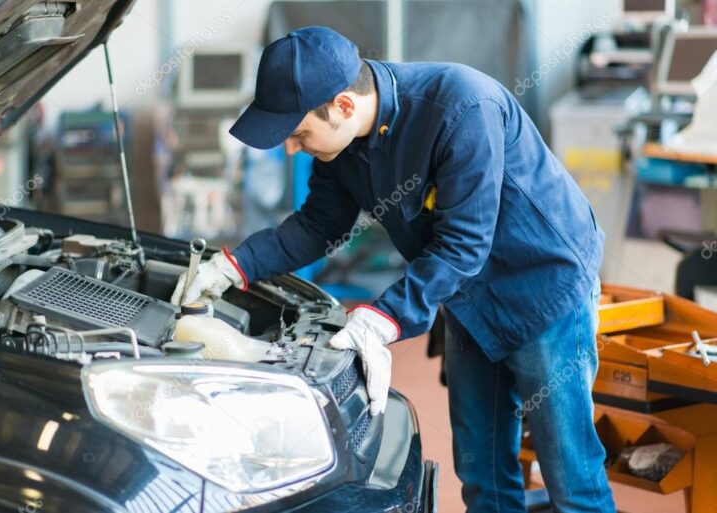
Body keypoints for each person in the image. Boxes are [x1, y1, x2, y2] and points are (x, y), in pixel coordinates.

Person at [170, 26, 616, 513]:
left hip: (544, 290)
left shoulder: (462, 109)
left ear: (342, 105)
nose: (292, 149)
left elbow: (465, 241)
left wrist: (383, 317)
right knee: (483, 477)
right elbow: (319, 225)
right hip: (467, 300)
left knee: (572, 481)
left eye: (298, 133)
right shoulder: (341, 145)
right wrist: (235, 266)